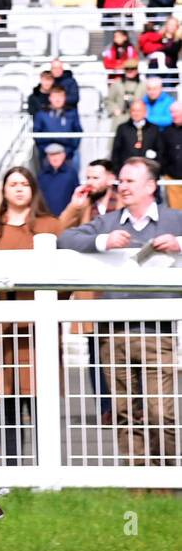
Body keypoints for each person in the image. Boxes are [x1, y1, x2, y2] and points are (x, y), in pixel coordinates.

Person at [58, 157, 182, 464]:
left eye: (129, 181)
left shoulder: (174, 219)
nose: (121, 187)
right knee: (125, 410)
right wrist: (103, 241)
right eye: (121, 181)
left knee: (160, 410)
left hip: (158, 330)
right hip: (113, 331)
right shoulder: (108, 221)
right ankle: (135, 482)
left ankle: (167, 479)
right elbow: (65, 238)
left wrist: (180, 242)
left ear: (151, 186)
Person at [0, 166, 62, 464]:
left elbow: (64, 280)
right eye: (13, 184)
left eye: (25, 184)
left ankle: (43, 466)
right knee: (7, 399)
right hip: (1, 330)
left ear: (33, 189)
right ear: (5, 190)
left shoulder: (50, 224)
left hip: (38, 329)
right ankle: (12, 465)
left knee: (38, 396)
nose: (19, 189)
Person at [111, 98, 163, 170]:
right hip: (127, 169)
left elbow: (160, 151)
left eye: (139, 111)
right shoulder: (122, 128)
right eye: (133, 110)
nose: (136, 113)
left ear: (145, 112)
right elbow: (116, 152)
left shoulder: (154, 129)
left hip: (148, 169)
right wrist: (116, 170)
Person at [33, 85, 82, 162]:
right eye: (55, 96)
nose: (58, 100)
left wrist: (68, 151)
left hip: (68, 152)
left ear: (65, 98)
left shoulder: (72, 113)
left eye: (60, 96)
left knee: (75, 159)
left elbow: (78, 132)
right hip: (47, 152)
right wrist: (46, 150)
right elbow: (36, 134)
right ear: (50, 98)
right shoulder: (41, 114)